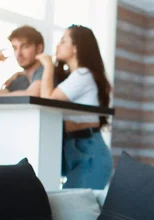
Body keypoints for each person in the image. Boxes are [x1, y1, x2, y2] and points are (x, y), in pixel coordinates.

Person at [35, 25, 113, 189]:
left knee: (76, 211)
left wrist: (48, 66)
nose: (58, 45)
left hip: (88, 152)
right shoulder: (75, 76)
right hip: (78, 148)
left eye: (63, 41)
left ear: (76, 48)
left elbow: (48, 100)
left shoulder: (82, 75)